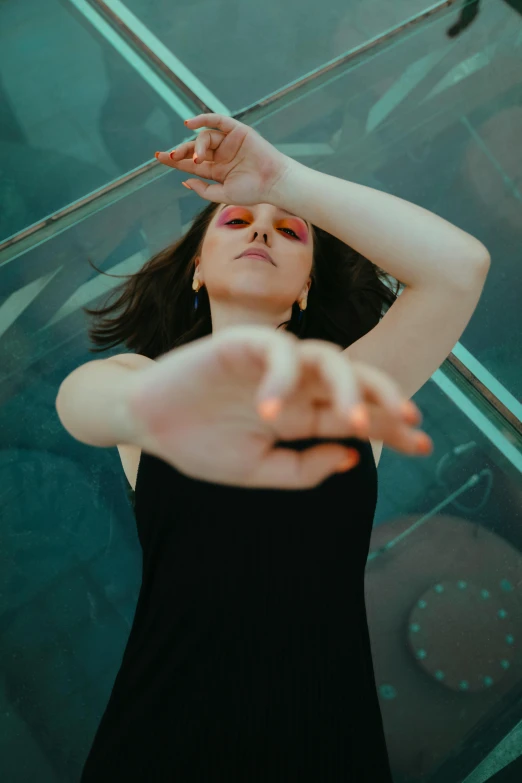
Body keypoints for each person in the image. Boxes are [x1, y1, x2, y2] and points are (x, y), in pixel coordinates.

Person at [56, 114, 489, 780]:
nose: (261, 227)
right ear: (197, 269)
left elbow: (460, 268)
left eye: (288, 231)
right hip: (166, 739)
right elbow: (85, 403)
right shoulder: (142, 381)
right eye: (236, 222)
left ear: (307, 284)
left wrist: (285, 182)